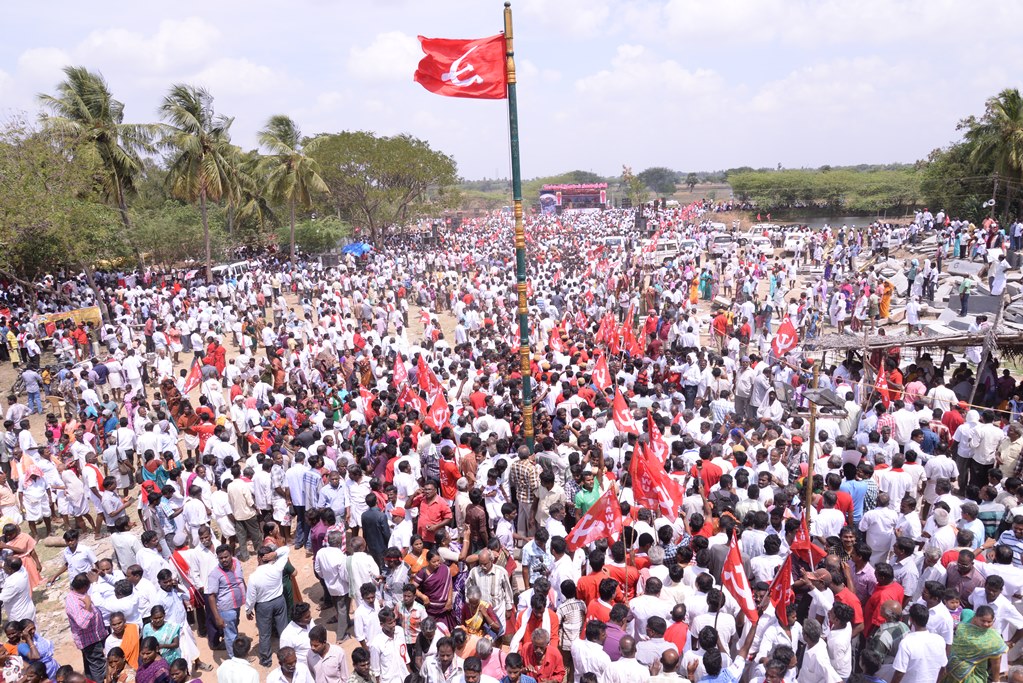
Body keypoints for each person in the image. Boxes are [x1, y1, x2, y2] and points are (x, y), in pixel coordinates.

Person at [244, 545, 291, 667]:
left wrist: (248, 610)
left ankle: (266, 659)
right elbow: (286, 550)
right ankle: (288, 653)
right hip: (279, 601)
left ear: (259, 558)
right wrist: (275, 554)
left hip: (263, 606)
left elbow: (251, 597)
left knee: (264, 634)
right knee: (284, 629)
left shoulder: (254, 577)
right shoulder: (277, 567)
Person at [944, 605, 1008, 683]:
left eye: (989, 622)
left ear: (993, 621)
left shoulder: (994, 638)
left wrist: (996, 680)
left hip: (975, 674)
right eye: (983, 620)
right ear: (975, 617)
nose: (986, 624)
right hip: (952, 669)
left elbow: (996, 662)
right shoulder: (963, 627)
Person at [66, 572, 108, 683]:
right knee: (99, 668)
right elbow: (82, 623)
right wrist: (88, 606)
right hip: (90, 641)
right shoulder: (74, 601)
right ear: (84, 586)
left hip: (95, 636)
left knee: (90, 668)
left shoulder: (81, 595)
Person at [891, 603, 948, 683]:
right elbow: (943, 668)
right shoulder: (940, 640)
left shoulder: (907, 642)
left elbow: (899, 672)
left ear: (911, 619)